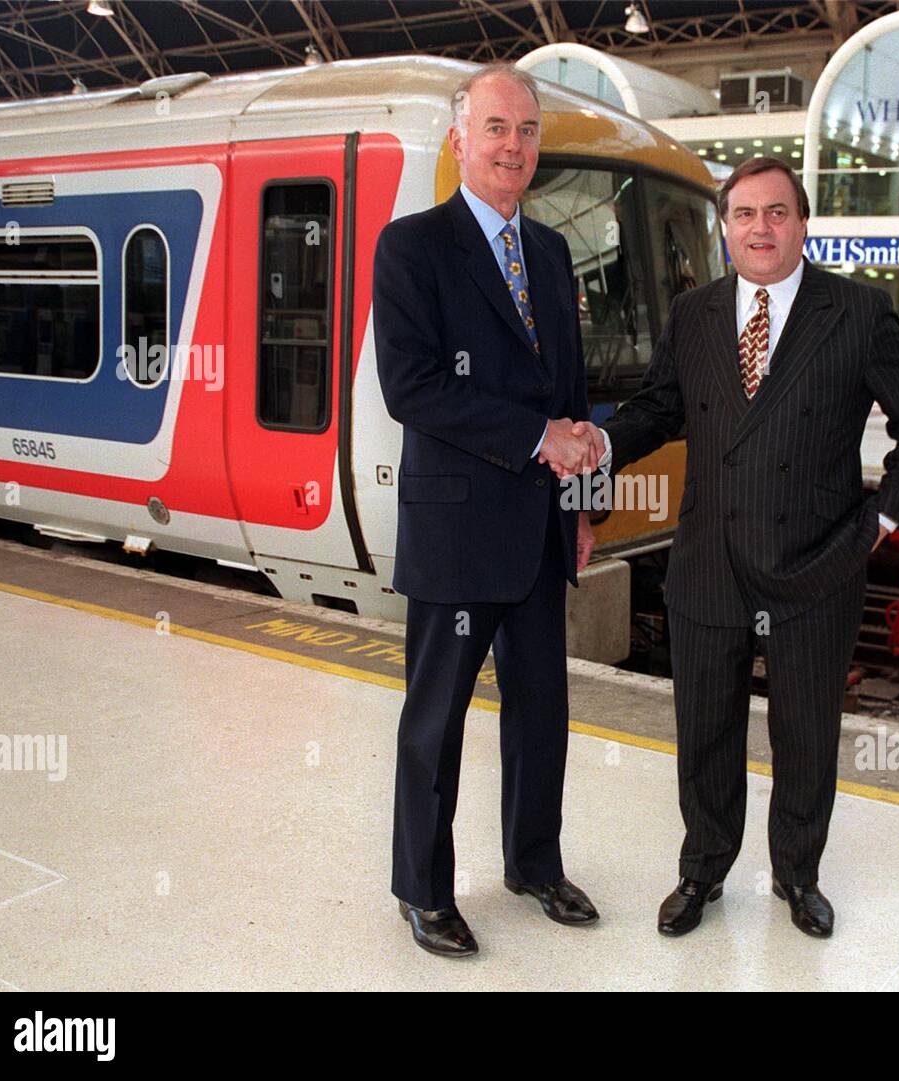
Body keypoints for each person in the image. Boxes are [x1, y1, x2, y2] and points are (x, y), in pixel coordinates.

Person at [576, 157, 899, 939]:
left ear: (803, 224)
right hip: (709, 557)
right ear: (725, 228)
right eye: (744, 214)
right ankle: (702, 871)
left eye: (777, 213)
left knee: (805, 732)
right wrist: (601, 445)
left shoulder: (857, 311)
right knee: (705, 730)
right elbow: (659, 408)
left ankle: (797, 875)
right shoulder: (696, 312)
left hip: (816, 561)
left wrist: (887, 516)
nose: (761, 228)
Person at [372, 64, 606, 958]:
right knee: (436, 717)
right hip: (456, 529)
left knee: (542, 708)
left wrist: (584, 503)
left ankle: (534, 864)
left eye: (529, 131)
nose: (515, 146)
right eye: (497, 128)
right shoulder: (412, 248)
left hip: (542, 529)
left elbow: (574, 395)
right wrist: (536, 438)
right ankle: (423, 889)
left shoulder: (549, 253)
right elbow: (413, 388)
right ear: (459, 139)